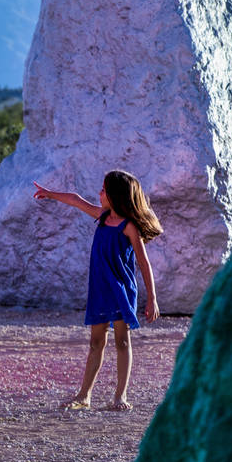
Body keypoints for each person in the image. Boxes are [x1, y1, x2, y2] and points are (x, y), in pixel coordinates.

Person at [33, 171, 163, 412]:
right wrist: (50, 194)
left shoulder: (129, 227)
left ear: (115, 195)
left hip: (121, 291)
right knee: (96, 342)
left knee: (122, 341)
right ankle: (84, 396)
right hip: (100, 290)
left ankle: (120, 396)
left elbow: (144, 263)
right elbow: (75, 199)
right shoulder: (102, 216)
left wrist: (152, 298)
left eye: (104, 190)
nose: (99, 193)